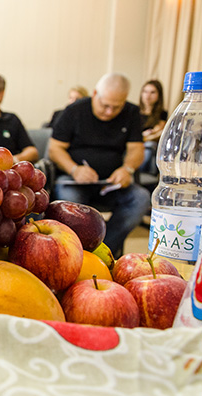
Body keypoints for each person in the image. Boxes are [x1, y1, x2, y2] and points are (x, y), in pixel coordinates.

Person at [48, 72, 151, 258]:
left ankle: (103, 250)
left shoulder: (132, 113)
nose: (110, 112)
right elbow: (54, 149)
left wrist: (127, 169)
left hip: (112, 184)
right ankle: (76, 252)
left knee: (141, 198)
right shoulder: (74, 111)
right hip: (75, 181)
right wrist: (74, 168)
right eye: (105, 105)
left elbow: (137, 149)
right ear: (95, 94)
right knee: (69, 202)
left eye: (116, 107)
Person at [138, 80, 167, 172]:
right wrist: (144, 135)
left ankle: (141, 175)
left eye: (152, 92)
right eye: (145, 92)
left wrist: (144, 136)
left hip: (149, 145)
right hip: (136, 143)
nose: (148, 96)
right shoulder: (134, 111)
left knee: (149, 146)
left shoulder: (162, 114)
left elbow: (159, 133)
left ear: (159, 95)